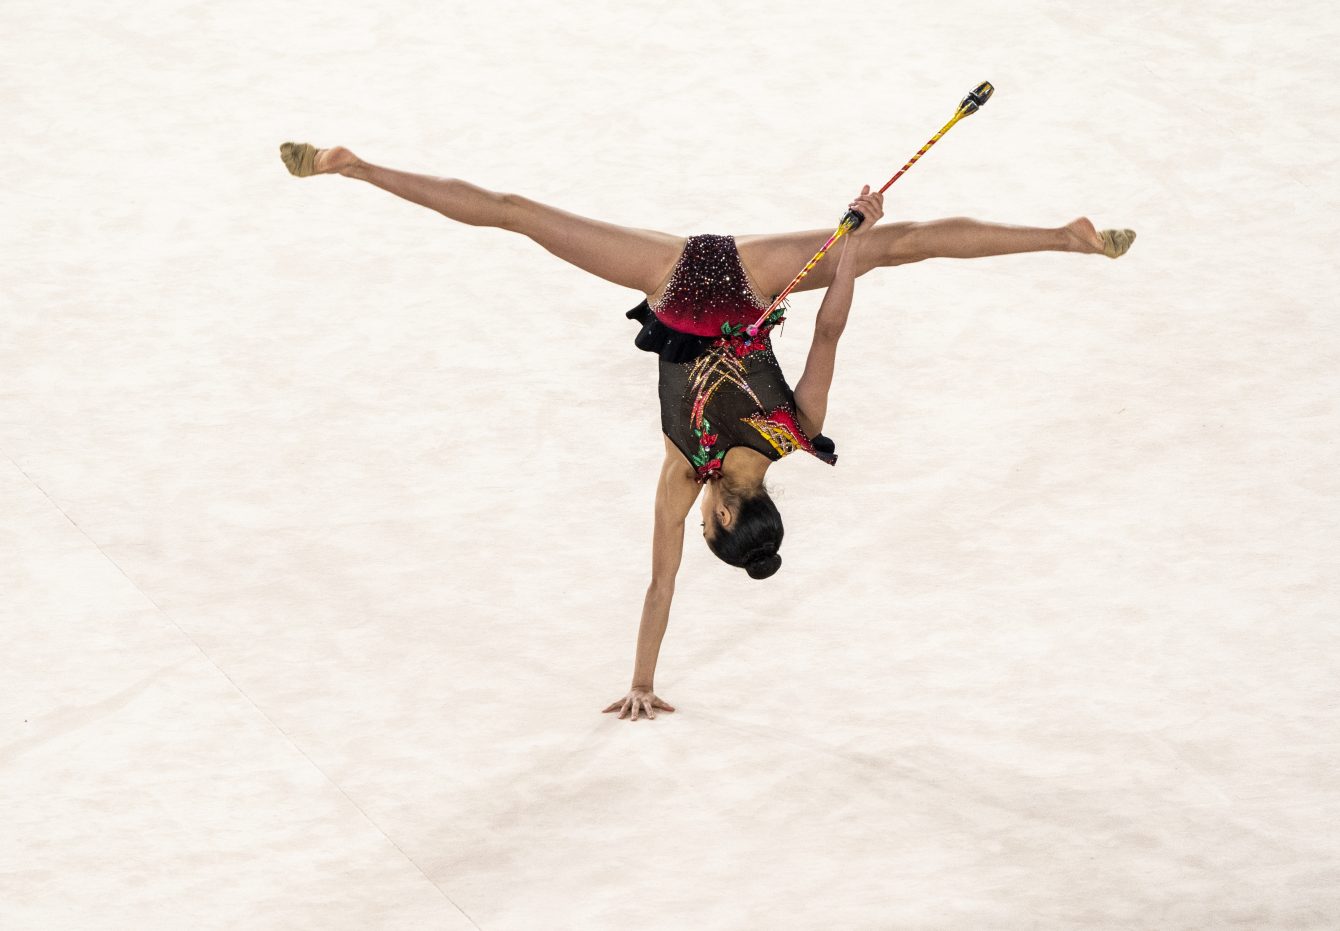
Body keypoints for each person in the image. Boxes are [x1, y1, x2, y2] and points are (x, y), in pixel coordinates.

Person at [278, 141, 1136, 721]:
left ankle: (1066, 237)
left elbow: (832, 332)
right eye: (708, 530)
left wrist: (849, 248)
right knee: (514, 213)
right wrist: (640, 682)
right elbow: (660, 589)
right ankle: (350, 168)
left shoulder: (790, 433)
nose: (696, 526)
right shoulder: (687, 471)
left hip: (718, 273)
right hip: (691, 279)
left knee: (896, 244)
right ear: (721, 517)